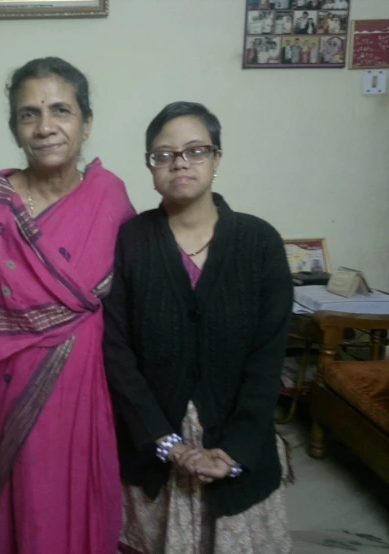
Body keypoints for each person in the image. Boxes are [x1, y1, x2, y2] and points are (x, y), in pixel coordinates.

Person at [0, 57, 135, 554]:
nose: (46, 126)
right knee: (15, 525)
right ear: (14, 129)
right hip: (3, 403)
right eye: (29, 114)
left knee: (77, 518)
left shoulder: (110, 196)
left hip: (88, 399)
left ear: (87, 122)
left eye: (61, 110)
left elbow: (135, 310)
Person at [103, 102, 293, 554]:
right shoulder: (130, 241)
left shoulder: (259, 242)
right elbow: (116, 351)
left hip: (239, 441)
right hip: (154, 444)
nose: (179, 163)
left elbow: (267, 358)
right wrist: (166, 442)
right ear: (150, 167)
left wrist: (236, 451)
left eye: (195, 151)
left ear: (217, 158)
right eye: (163, 154)